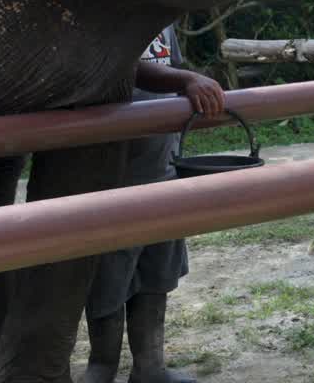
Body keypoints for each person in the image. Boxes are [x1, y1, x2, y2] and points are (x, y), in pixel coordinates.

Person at [83, 25, 226, 383]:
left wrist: (186, 86)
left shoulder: (164, 19)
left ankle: (150, 367)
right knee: (110, 278)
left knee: (157, 272)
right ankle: (102, 365)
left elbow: (173, 69)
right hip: (114, 175)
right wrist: (186, 79)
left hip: (162, 163)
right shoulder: (106, 8)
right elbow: (111, 65)